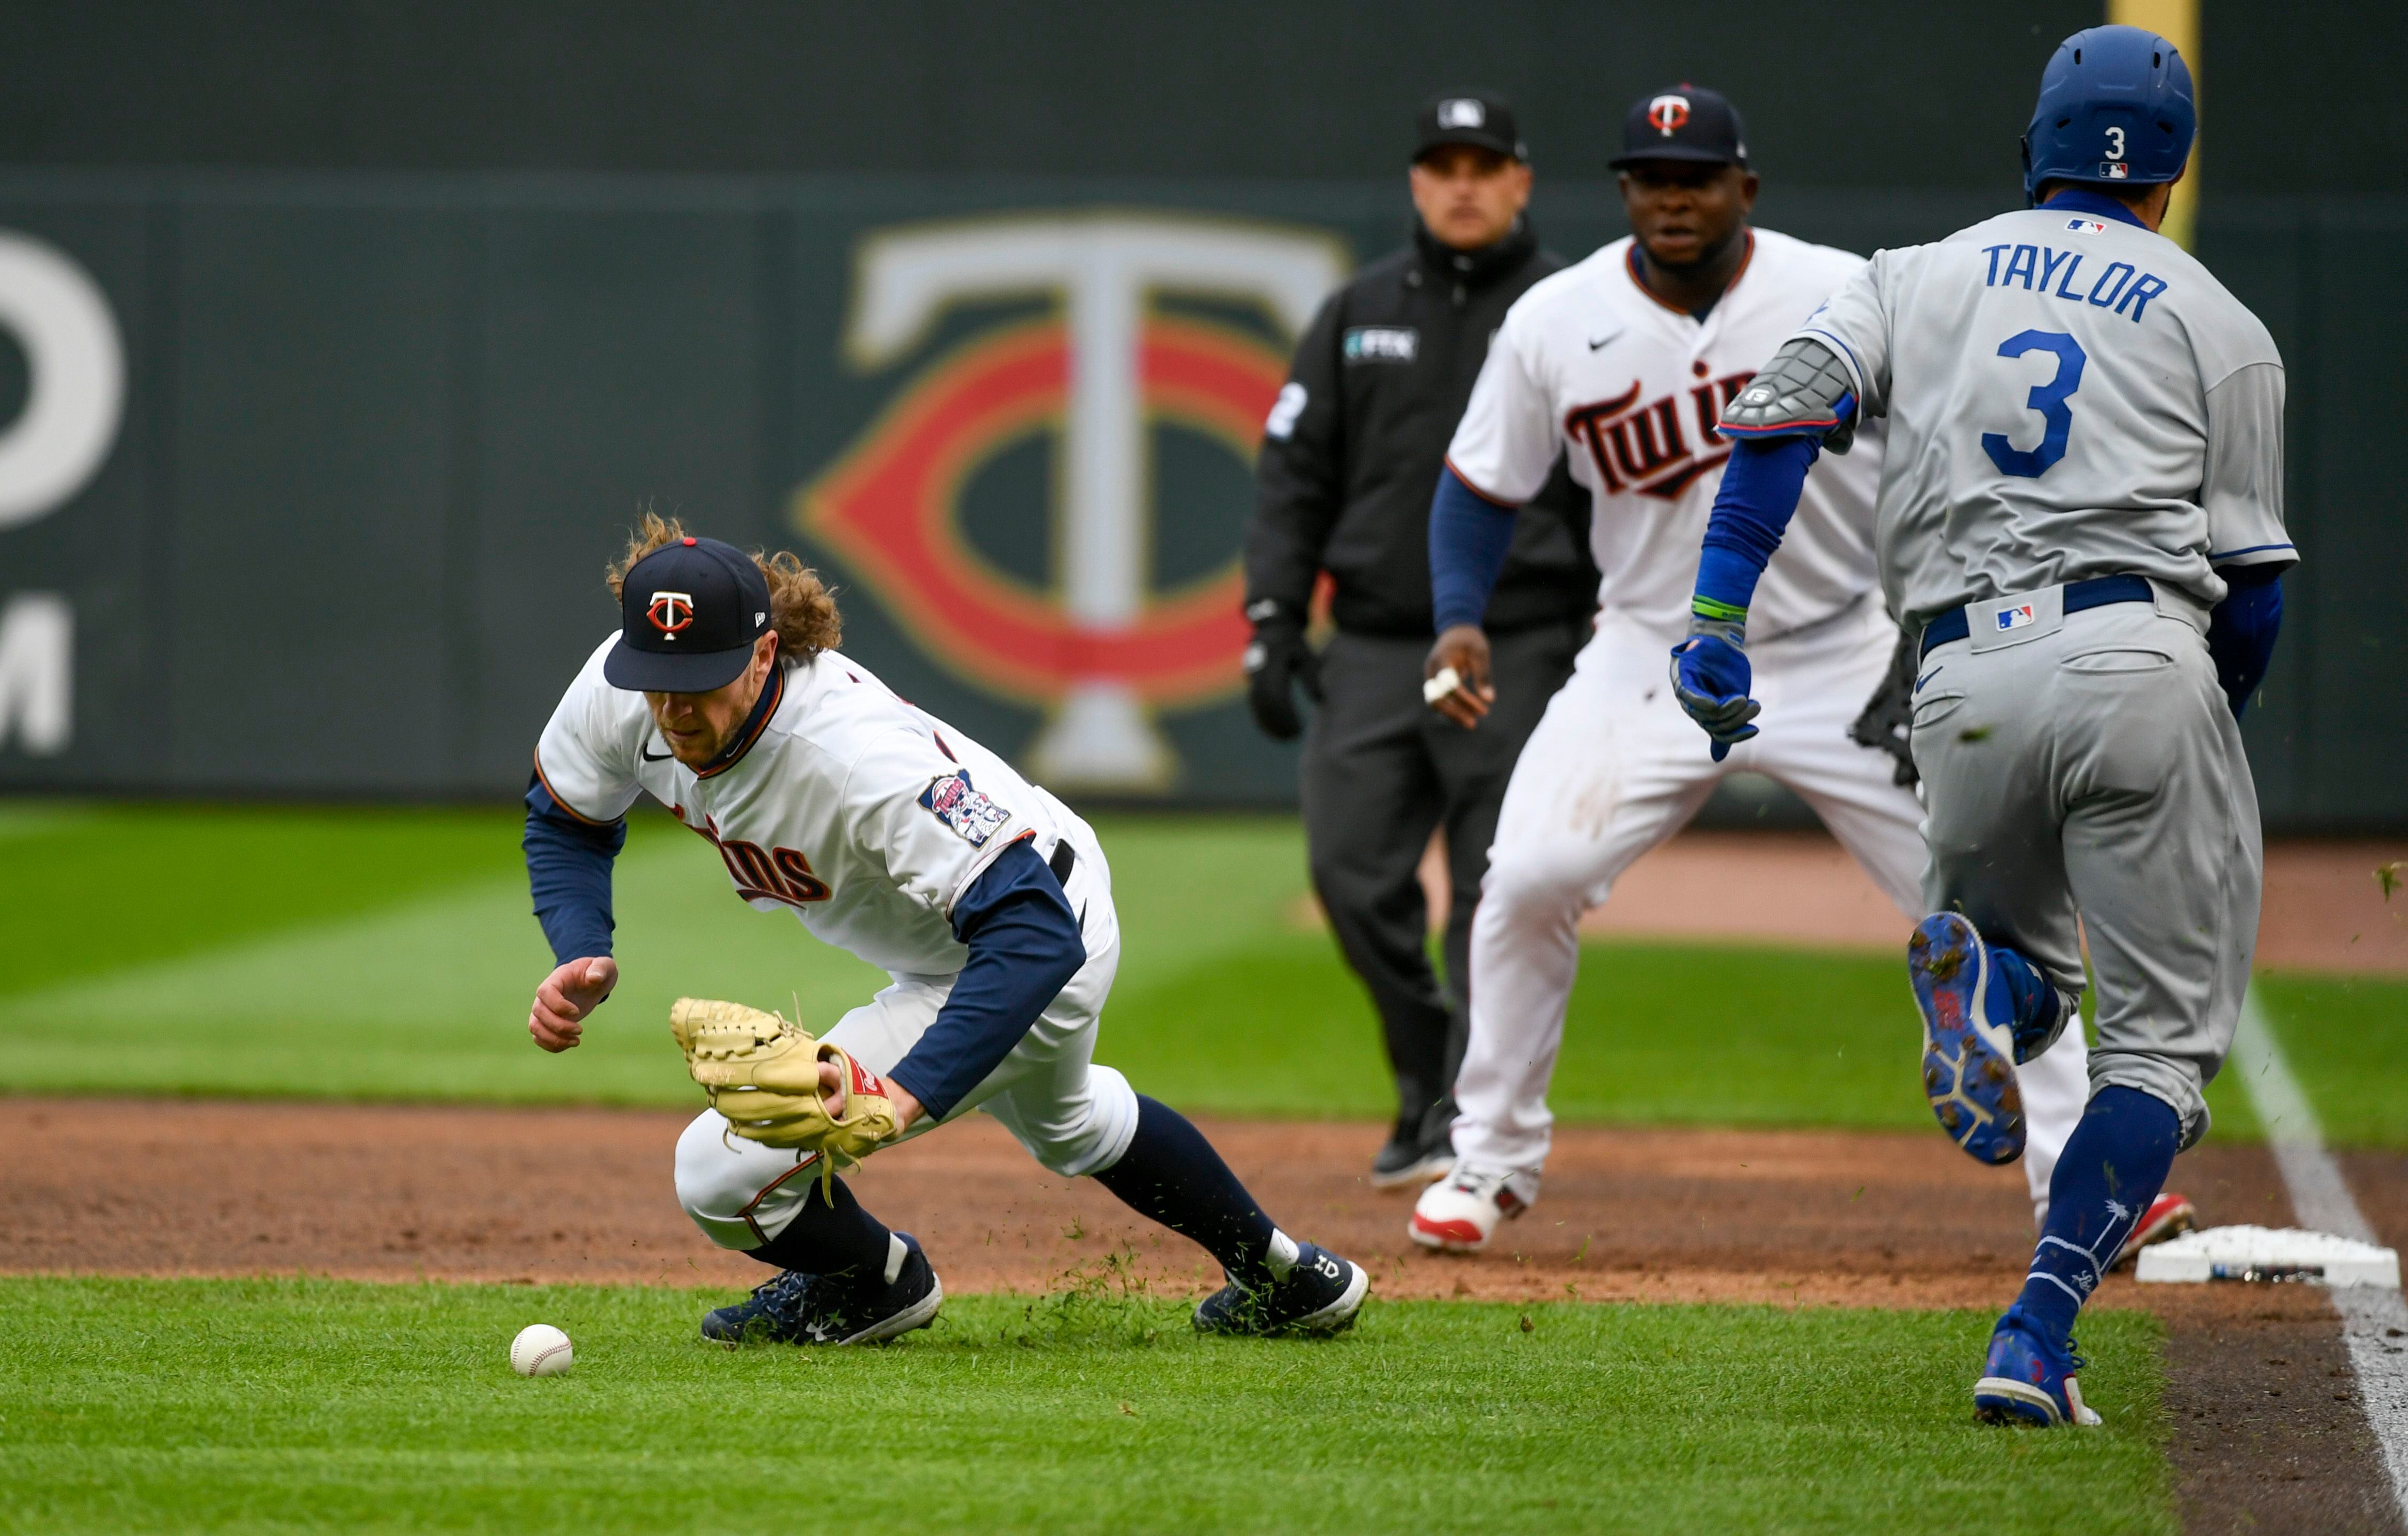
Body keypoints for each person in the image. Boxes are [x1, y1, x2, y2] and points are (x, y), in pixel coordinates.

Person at [1672, 27, 2283, 1425]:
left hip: (1956, 678)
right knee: (2153, 1060)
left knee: (2028, 974)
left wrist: (1715, 619)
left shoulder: (1918, 276)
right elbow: (2251, 594)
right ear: (2171, 179)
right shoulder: (2223, 323)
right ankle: (2037, 1331)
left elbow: (1782, 411)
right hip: (2141, 652)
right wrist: (2204, 730)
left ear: (2034, 152)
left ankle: (1981, 988)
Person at [1407, 84, 2100, 1255]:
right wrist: (1458, 620)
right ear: (1623, 192)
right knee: (1524, 874)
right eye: (1649, 180)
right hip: (1645, 651)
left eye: (1696, 179)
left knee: (1992, 893)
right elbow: (1479, 490)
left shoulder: (1844, 290)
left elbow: (1960, 455)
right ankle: (1490, 1160)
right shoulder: (1554, 319)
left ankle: (2080, 1181)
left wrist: (1935, 626)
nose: (1672, 199)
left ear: (1747, 189)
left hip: (1845, 650)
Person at [523, 517, 1370, 1344]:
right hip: (969, 931)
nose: (671, 707)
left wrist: (906, 1090)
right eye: (654, 676)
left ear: (764, 654)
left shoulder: (855, 757)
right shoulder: (626, 687)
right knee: (1070, 1124)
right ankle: (1289, 1278)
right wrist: (580, 945)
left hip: (1035, 935)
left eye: (699, 680)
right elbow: (566, 818)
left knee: (716, 1172)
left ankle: (874, 1284)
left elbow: (1033, 931)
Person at [1243, 91, 1597, 1189]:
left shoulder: (1572, 307)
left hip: (1524, 635)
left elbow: (1615, 485)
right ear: (1414, 181)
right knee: (1350, 875)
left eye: (1484, 164)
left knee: (1503, 886)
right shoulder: (1357, 311)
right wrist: (1270, 615)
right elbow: (1294, 481)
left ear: (1521, 180)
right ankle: (1426, 1076)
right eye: (1442, 164)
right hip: (1380, 645)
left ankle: (1465, 1120)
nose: (1462, 184)